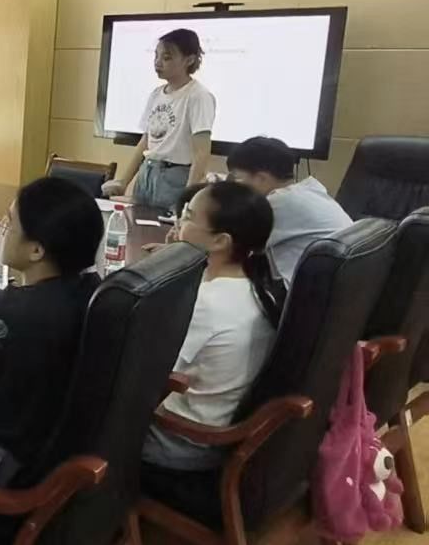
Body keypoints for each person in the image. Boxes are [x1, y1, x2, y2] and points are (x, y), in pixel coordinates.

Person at [0, 176, 104, 485]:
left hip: (6, 466)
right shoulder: (98, 293)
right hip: (59, 457)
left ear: (36, 250)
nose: (1, 229)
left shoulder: (0, 315)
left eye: (9, 223)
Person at [143, 181, 285, 470]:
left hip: (180, 442)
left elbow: (146, 376)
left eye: (187, 216)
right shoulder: (258, 286)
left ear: (220, 241)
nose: (178, 223)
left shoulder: (205, 302)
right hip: (217, 430)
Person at [104, 28, 215, 212]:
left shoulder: (198, 96)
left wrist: (187, 200)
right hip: (148, 172)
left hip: (175, 176)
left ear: (189, 60)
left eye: (167, 57)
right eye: (156, 55)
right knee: (138, 221)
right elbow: (145, 142)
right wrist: (123, 181)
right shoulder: (156, 94)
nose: (158, 62)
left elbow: (201, 153)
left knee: (166, 226)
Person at [226, 135, 351, 282]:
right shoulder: (311, 189)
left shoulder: (277, 204)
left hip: (304, 291)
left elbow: (225, 241)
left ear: (261, 179)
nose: (234, 187)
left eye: (237, 179)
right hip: (339, 285)